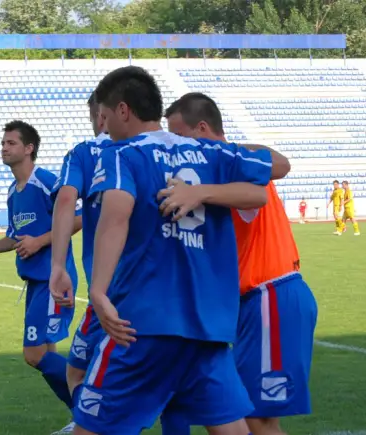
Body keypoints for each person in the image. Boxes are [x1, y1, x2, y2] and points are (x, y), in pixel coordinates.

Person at [72, 66, 289, 435]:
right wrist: (209, 183)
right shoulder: (208, 151)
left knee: (90, 429)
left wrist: (97, 291)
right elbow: (269, 179)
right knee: (232, 430)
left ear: (123, 111)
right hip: (208, 326)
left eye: (105, 118)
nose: (104, 129)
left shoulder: (122, 154)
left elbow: (115, 219)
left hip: (143, 325)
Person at [165, 91, 317, 435]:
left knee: (256, 420)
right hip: (251, 304)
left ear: (202, 128)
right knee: (227, 410)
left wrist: (199, 192)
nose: (173, 145)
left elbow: (278, 166)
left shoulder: (234, 166)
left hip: (271, 296)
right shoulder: (216, 169)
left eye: (178, 135)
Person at [0, 121, 82, 430]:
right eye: (3, 143)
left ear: (29, 148)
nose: (4, 148)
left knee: (34, 354)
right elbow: (16, 235)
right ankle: (82, 419)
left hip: (53, 279)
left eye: (10, 143)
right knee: (46, 354)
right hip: (35, 283)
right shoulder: (13, 192)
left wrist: (40, 241)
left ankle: (95, 407)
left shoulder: (46, 181)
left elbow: (77, 218)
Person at [49, 92, 112, 435]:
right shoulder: (160, 149)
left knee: (80, 372)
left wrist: (57, 265)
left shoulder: (85, 153)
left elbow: (65, 200)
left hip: (110, 293)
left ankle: (87, 425)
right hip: (163, 292)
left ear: (101, 115)